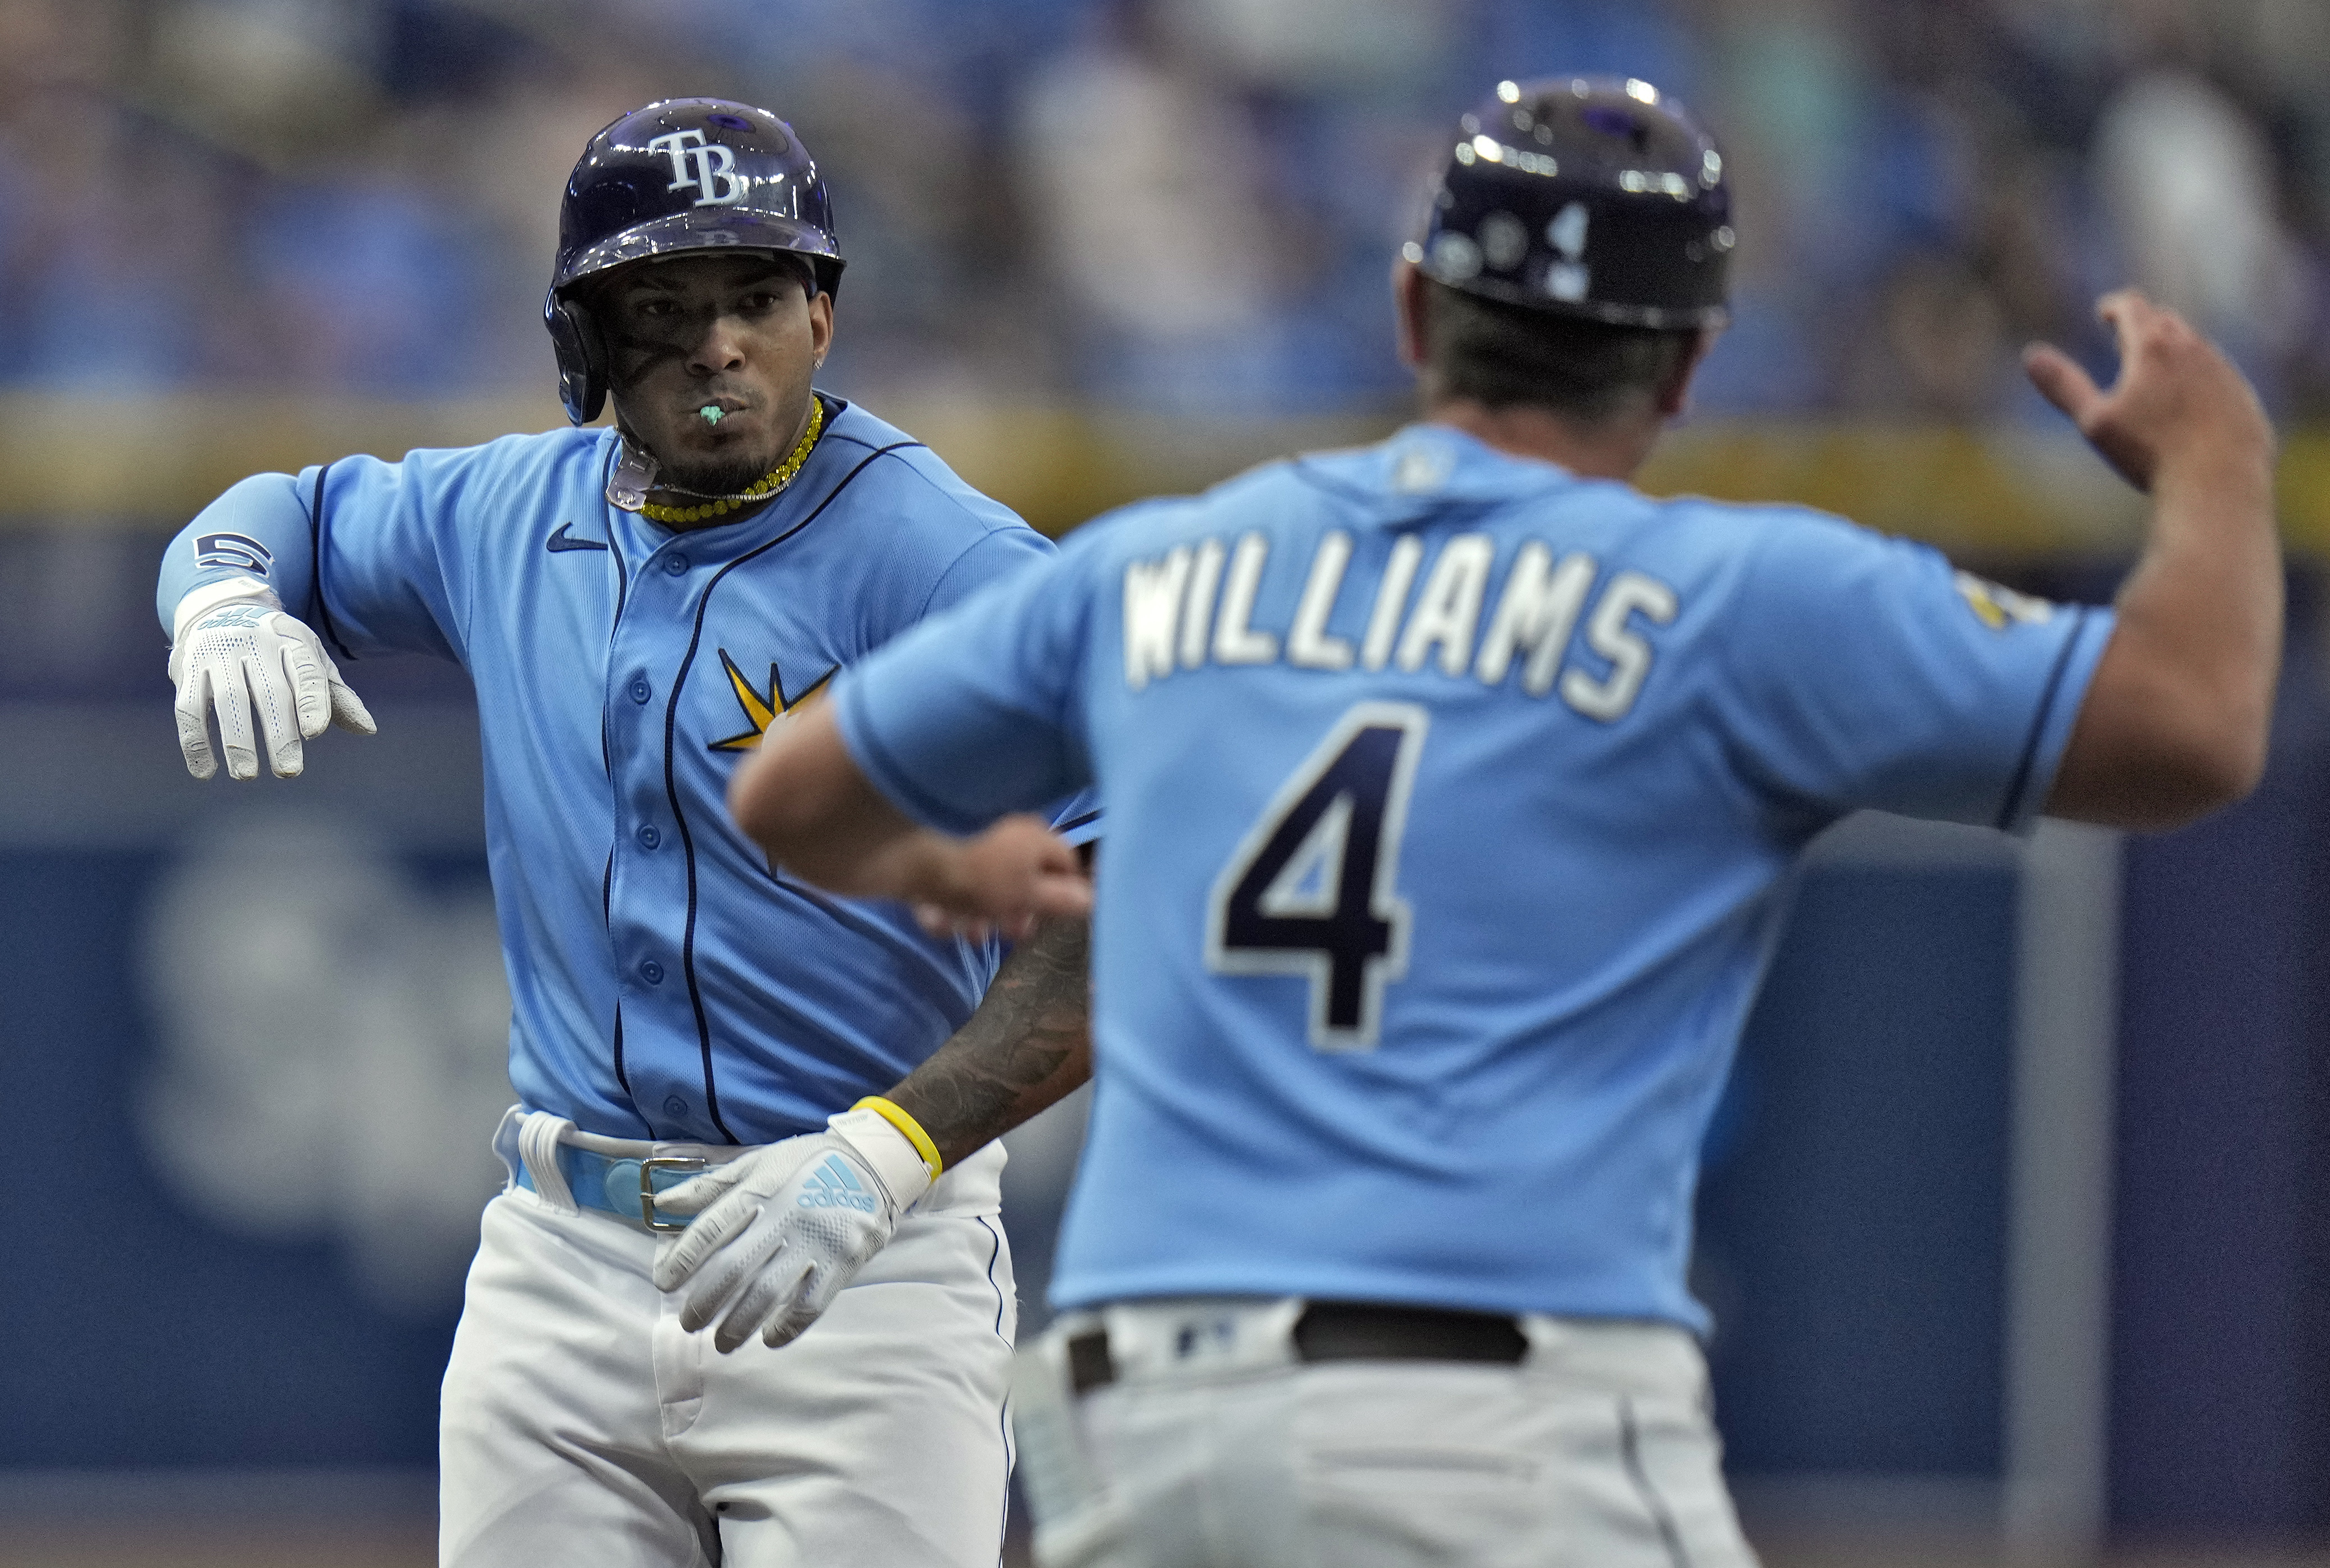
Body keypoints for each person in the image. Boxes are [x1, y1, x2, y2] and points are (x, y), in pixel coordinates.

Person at [721, 77, 2281, 1568]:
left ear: (1414, 311)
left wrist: (950, 863)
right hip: (1489, 1410)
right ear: (1686, 364)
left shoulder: (1158, 566)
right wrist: (2219, 461)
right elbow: (2194, 726)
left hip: (1138, 1421)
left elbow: (788, 795)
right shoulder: (1739, 599)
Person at [155, 99, 1097, 1568]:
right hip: (561, 1258)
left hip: (860, 1260)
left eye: (759, 299)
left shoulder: (952, 565)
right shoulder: (505, 512)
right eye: (662, 306)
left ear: (825, 320)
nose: (720, 345)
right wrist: (220, 597)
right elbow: (272, 514)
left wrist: (894, 1151)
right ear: (582, 340)